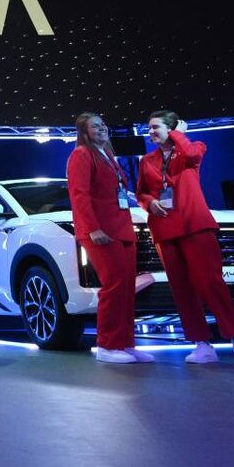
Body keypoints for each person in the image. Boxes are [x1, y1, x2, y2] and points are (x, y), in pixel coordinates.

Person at [137, 111, 234, 364]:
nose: (151, 132)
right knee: (181, 289)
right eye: (149, 128)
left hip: (195, 225)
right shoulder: (147, 160)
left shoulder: (192, 148)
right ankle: (201, 343)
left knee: (211, 282)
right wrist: (150, 203)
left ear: (172, 128)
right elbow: (142, 193)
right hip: (165, 229)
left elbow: (192, 156)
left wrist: (179, 135)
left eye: (156, 127)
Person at [66, 112, 153, 364]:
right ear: (84, 133)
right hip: (101, 231)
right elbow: (79, 195)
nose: (102, 128)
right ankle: (107, 345)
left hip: (121, 229)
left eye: (103, 124)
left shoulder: (108, 156)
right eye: (95, 126)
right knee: (114, 285)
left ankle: (125, 343)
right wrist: (93, 228)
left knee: (126, 288)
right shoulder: (81, 155)